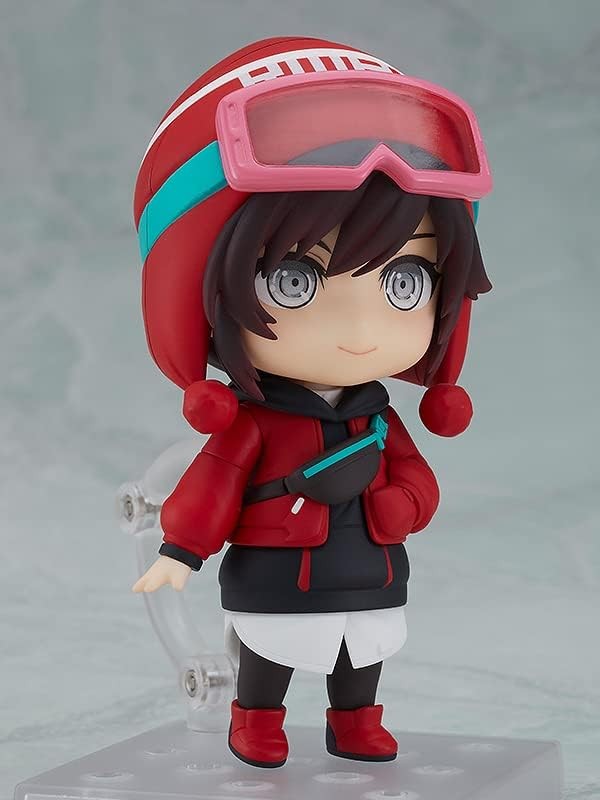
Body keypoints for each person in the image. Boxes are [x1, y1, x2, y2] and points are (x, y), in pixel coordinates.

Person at [131, 35, 493, 769]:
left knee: (364, 650)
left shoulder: (377, 418)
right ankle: (256, 719)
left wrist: (405, 505)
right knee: (271, 649)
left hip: (371, 565)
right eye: (295, 280)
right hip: (277, 567)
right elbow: (215, 481)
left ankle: (354, 721)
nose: (360, 330)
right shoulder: (256, 424)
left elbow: (417, 478)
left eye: (405, 282)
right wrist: (181, 550)